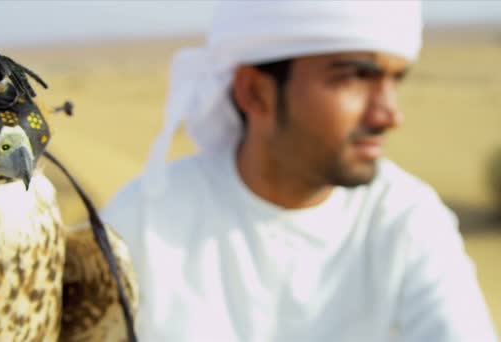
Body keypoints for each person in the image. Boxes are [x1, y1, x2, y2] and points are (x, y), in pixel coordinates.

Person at [101, 1, 497, 341]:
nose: (390, 114)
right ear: (254, 92)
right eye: (355, 77)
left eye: (395, 80)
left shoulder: (408, 217)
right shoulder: (141, 224)